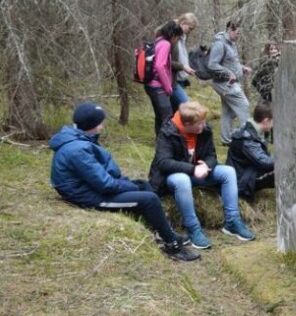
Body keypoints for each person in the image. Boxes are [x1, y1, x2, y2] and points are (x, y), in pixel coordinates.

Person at [49, 102, 199, 262]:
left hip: (92, 188)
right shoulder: (77, 150)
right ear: (91, 125)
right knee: (149, 200)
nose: (102, 126)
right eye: (100, 123)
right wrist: (129, 186)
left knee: (144, 185)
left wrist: (132, 184)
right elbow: (105, 185)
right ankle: (172, 245)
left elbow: (101, 176)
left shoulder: (80, 139)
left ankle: (163, 232)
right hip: (86, 196)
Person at [149, 101, 256, 249]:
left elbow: (211, 155)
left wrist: (207, 165)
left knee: (228, 172)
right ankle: (193, 228)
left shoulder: (204, 130)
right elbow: (163, 162)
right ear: (187, 124)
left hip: (199, 172)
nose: (203, 125)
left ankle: (232, 222)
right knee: (182, 180)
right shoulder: (168, 132)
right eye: (199, 123)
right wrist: (193, 169)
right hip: (173, 176)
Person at [207, 20, 252, 145]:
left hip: (229, 82)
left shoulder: (231, 43)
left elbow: (230, 62)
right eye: (237, 33)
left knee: (229, 111)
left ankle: (226, 140)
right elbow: (212, 64)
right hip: (224, 83)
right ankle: (248, 137)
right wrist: (228, 73)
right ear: (230, 30)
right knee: (244, 105)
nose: (239, 36)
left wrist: (242, 68)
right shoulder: (219, 44)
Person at [226, 101, 275, 201]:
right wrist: (284, 158)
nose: (273, 125)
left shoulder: (250, 128)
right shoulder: (247, 139)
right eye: (272, 121)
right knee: (281, 169)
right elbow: (265, 163)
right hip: (241, 181)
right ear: (266, 121)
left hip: (245, 172)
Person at [143, 21, 183, 136]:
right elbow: (160, 66)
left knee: (159, 117)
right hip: (158, 86)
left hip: (150, 85)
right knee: (167, 117)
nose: (177, 40)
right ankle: (169, 145)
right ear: (173, 35)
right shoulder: (166, 44)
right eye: (178, 37)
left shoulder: (158, 41)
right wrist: (168, 88)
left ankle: (160, 142)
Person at [171, 12, 199, 111]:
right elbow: (166, 61)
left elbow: (181, 56)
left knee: (176, 114)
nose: (189, 31)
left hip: (181, 80)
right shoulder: (172, 36)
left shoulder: (182, 37)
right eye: (190, 28)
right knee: (189, 109)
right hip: (172, 81)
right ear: (183, 23)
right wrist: (183, 67)